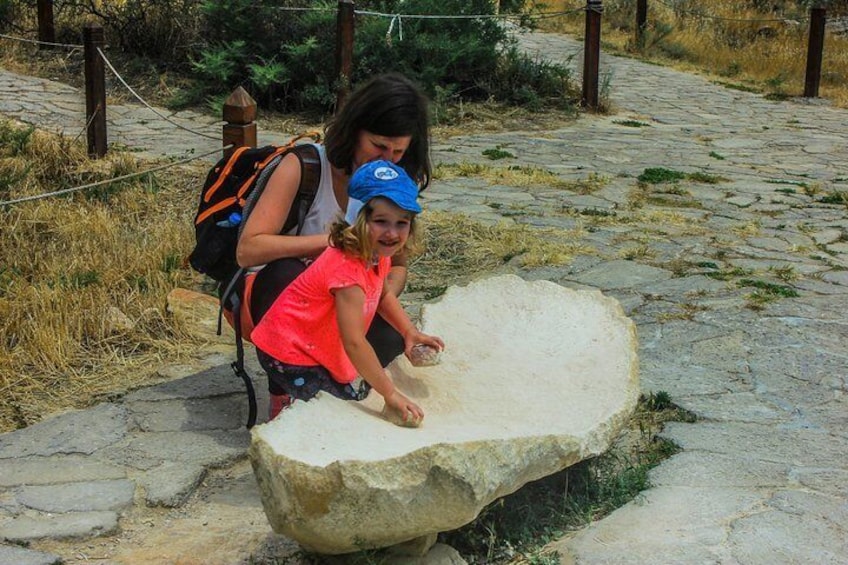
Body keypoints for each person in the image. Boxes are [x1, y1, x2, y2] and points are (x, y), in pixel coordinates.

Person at [235, 72, 431, 418]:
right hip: (280, 300)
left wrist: (375, 295)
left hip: (341, 299)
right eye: (379, 146)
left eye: (398, 151)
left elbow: (395, 268)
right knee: (287, 274)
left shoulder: (391, 185)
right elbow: (248, 250)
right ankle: (286, 390)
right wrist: (336, 246)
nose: (387, 159)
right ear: (355, 131)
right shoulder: (305, 166)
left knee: (388, 338)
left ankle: (335, 389)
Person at [250, 160, 444, 426]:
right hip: (289, 351)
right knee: (327, 415)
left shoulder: (376, 252)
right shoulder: (347, 271)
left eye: (402, 222)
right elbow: (353, 341)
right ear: (357, 219)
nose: (392, 232)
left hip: (313, 342)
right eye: (380, 221)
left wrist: (409, 331)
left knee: (347, 399)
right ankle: (285, 405)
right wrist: (390, 393)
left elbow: (383, 295)